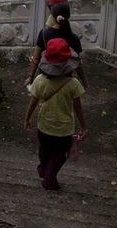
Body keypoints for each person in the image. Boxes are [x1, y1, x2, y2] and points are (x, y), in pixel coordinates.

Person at [25, 37, 87, 191]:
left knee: (44, 150)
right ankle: (49, 179)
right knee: (59, 155)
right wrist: (84, 126)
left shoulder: (40, 80)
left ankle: (43, 169)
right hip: (64, 129)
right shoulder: (73, 84)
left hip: (44, 125)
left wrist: (27, 118)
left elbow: (33, 102)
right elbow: (78, 107)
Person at [26, 1, 88, 88]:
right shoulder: (74, 38)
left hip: (46, 79)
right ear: (68, 16)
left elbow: (36, 58)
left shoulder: (44, 34)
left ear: (53, 16)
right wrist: (84, 81)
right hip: (66, 82)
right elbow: (77, 63)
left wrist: (31, 77)